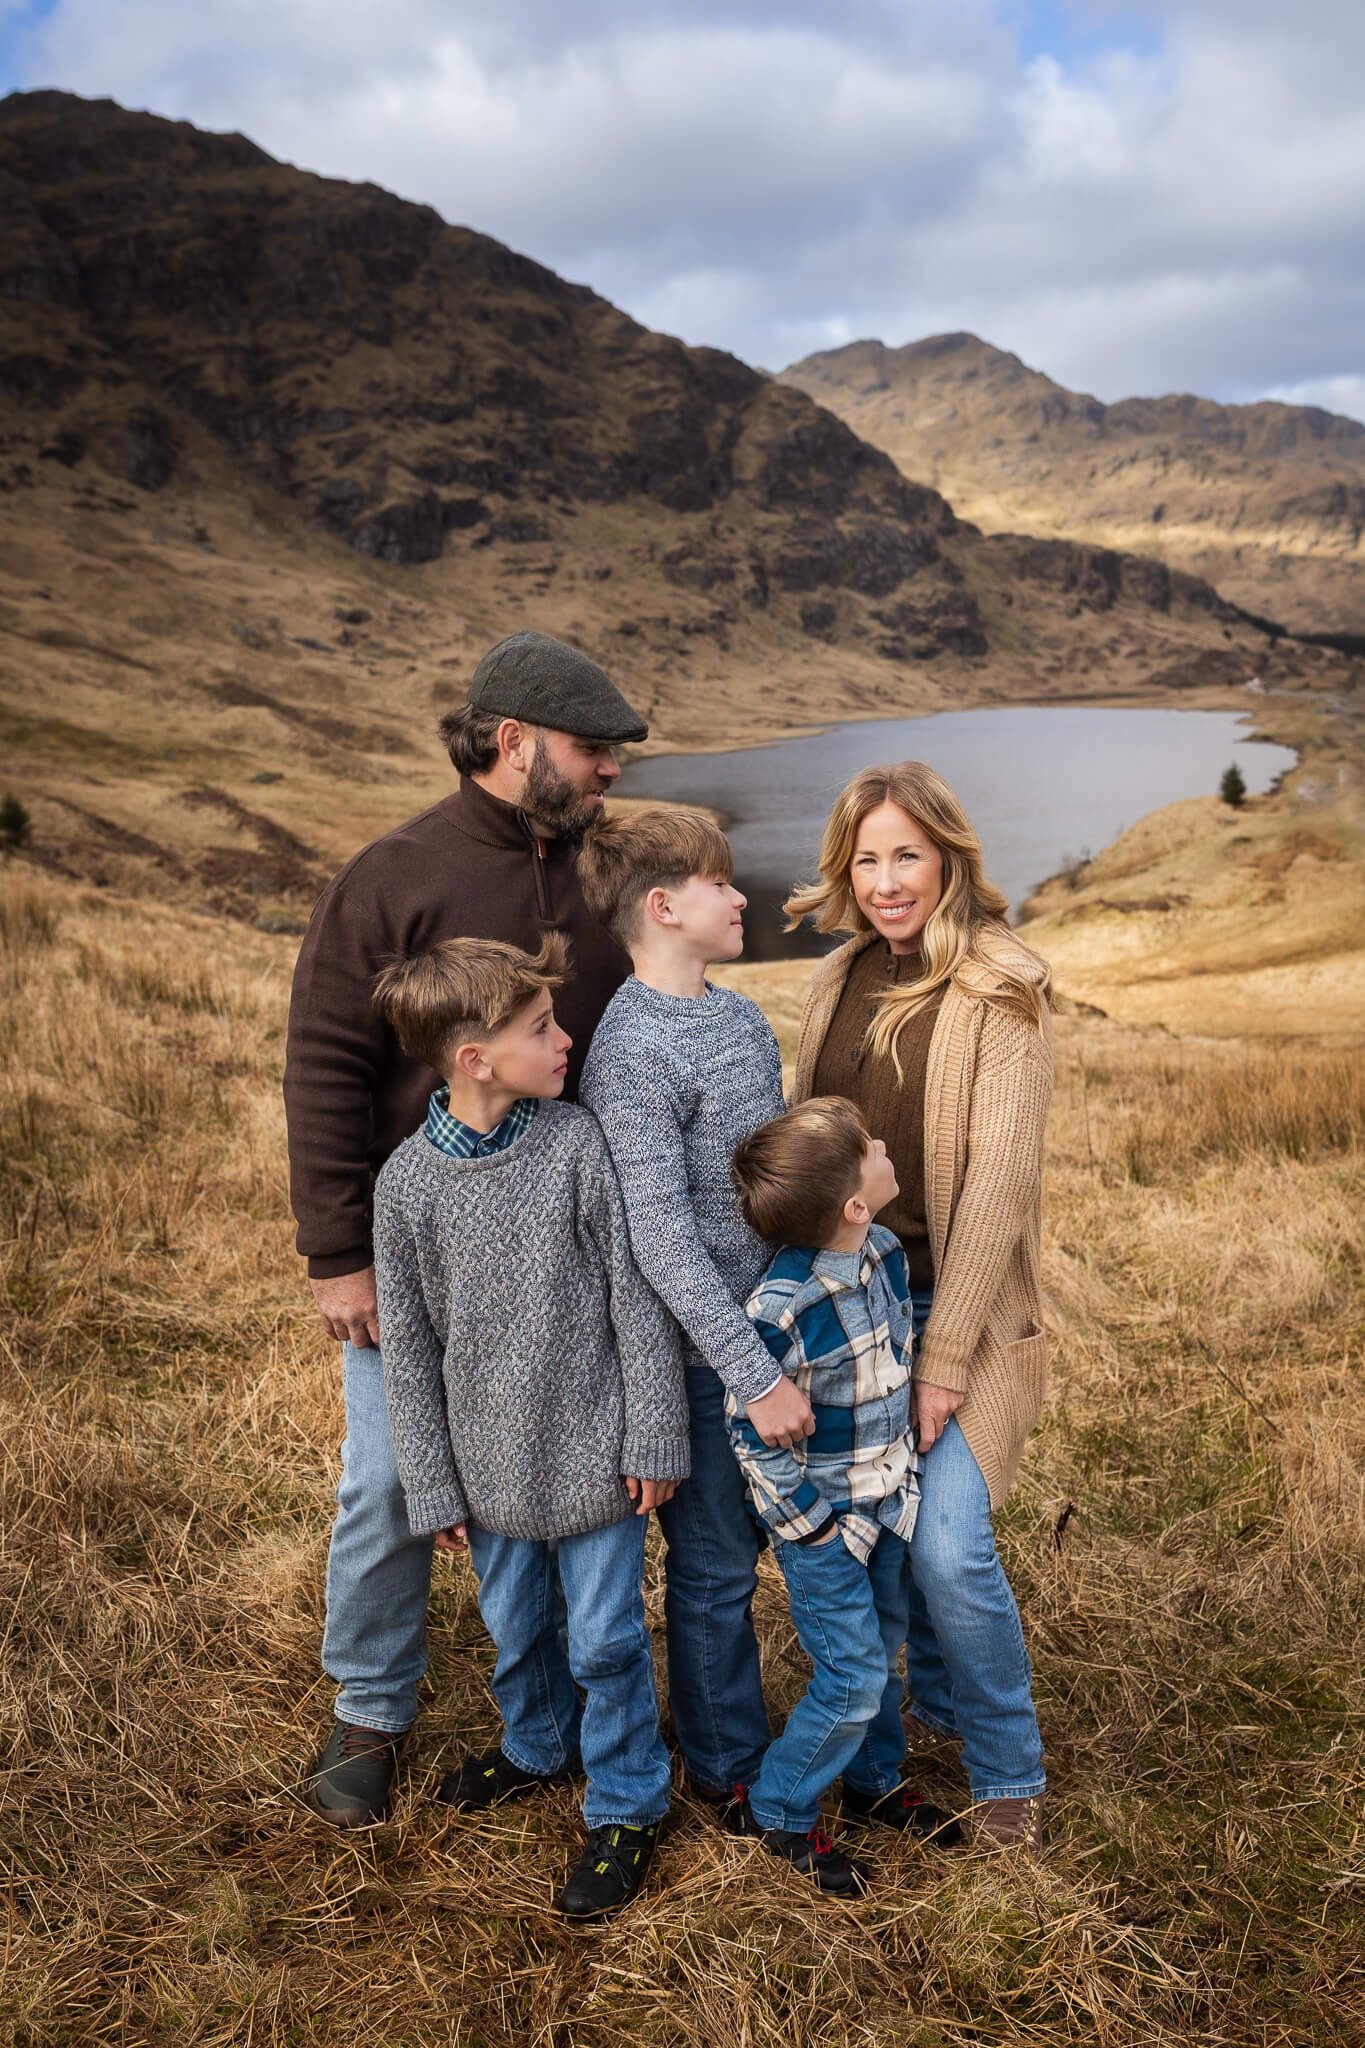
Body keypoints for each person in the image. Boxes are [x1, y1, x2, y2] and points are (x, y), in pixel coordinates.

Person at [284, 629, 649, 1829]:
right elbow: (327, 1064)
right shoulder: (392, 876)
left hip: (575, 1238)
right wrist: (338, 1250)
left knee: (588, 1470)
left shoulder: (603, 874)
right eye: (592, 749)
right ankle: (373, 1707)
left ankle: (584, 1714)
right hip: (420, 1247)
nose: (608, 770)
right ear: (513, 742)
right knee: (390, 1478)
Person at [369, 932, 687, 1919]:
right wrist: (431, 1483)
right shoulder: (405, 1189)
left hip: (597, 1457)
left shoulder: (577, 1144)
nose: (566, 1038)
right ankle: (538, 1743)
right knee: (516, 1629)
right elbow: (411, 1356)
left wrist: (654, 1435)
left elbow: (636, 1300)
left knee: (602, 1638)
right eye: (541, 1027)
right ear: (474, 1059)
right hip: (485, 1467)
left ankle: (630, 1800)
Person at [785, 761, 1053, 1852]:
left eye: (908, 853)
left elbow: (998, 1183)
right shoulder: (837, 974)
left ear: (948, 856)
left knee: (947, 1542)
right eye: (868, 857)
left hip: (962, 1311)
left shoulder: (1003, 987)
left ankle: (1008, 1770)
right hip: (854, 1312)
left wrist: (943, 1356)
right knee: (880, 1538)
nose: (888, 879)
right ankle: (921, 1705)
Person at [575, 808, 815, 1814]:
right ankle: (728, 1769)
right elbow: (661, 1239)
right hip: (703, 1364)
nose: (743, 895)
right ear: (666, 906)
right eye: (723, 884)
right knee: (715, 1566)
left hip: (783, 1327)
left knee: (772, 1552)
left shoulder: (742, 1017)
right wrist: (750, 1372)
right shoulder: (629, 1053)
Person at [725, 1096, 960, 1896]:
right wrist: (813, 1532)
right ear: (854, 1203)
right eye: (869, 1147)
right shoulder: (781, 1309)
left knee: (883, 1648)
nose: (885, 1142)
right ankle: (780, 1809)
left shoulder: (885, 1251)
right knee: (852, 1675)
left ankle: (874, 1779)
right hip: (826, 1528)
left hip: (888, 1500)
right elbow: (751, 1433)